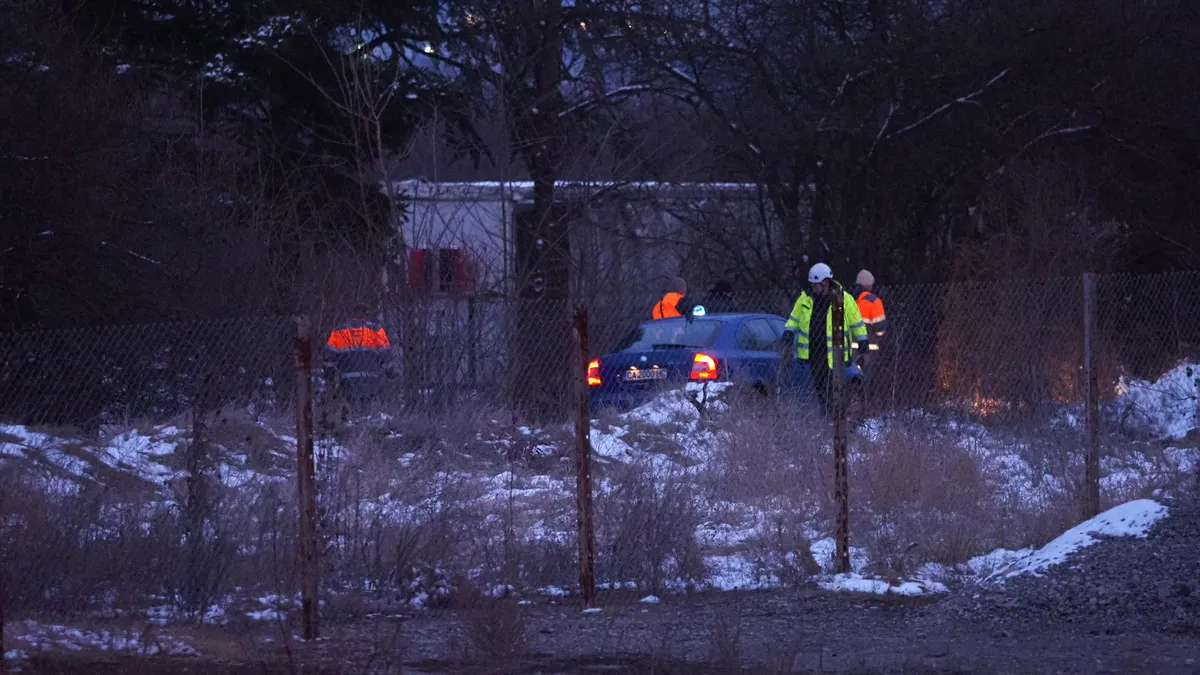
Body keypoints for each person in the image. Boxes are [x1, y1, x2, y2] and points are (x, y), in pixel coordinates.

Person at [781, 263, 869, 414]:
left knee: (832, 388)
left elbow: (857, 323)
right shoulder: (805, 299)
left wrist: (863, 343)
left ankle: (835, 418)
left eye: (817, 285)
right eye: (813, 285)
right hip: (814, 353)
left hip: (836, 354)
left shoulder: (844, 300)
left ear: (826, 282)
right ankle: (827, 417)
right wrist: (788, 333)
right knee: (820, 388)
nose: (814, 288)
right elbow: (793, 319)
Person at [323, 303, 395, 418]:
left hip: (347, 378)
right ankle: (366, 427)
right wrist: (390, 371)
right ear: (366, 314)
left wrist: (329, 373)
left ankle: (352, 425)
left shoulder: (339, 331)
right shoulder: (375, 329)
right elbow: (385, 352)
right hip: (370, 377)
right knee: (367, 407)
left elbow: (329, 355)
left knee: (351, 406)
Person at [853, 269, 887, 363]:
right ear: (869, 285)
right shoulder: (874, 301)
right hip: (868, 348)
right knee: (866, 374)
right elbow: (880, 327)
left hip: (849, 347)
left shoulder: (849, 299)